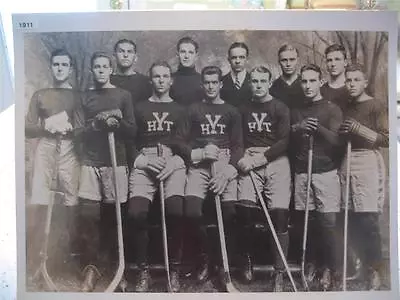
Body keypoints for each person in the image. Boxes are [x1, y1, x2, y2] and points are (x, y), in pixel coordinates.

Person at [74, 51, 136, 292]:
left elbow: (132, 130)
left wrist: (116, 123)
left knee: (117, 218)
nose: (100, 70)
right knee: (89, 217)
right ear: (92, 70)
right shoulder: (85, 97)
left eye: (104, 66)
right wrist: (97, 123)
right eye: (96, 66)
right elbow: (78, 132)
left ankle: (118, 268)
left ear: (111, 69)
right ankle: (91, 268)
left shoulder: (123, 95)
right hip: (90, 162)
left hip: (116, 163)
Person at [128, 61, 188, 292]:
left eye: (165, 76)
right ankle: (144, 270)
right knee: (136, 213)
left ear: (171, 80)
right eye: (156, 76)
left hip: (173, 161)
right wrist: (143, 161)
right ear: (150, 80)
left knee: (175, 211)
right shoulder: (139, 107)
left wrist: (174, 161)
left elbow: (187, 144)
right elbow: (130, 142)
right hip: (145, 161)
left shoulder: (181, 109)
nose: (161, 80)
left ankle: (174, 269)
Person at [184, 66, 243, 290]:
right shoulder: (193, 109)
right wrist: (198, 153)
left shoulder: (231, 110)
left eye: (214, 82)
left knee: (229, 213)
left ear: (220, 84)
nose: (210, 86)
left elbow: (238, 146)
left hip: (224, 161)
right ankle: (205, 257)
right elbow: (182, 141)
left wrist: (228, 172)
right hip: (199, 162)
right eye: (206, 82)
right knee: (191, 211)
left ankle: (221, 263)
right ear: (202, 84)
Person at [25, 49, 80, 278]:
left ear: (70, 68)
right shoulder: (40, 94)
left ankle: (68, 256)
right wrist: (45, 127)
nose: (59, 68)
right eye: (56, 64)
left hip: (69, 148)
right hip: (46, 146)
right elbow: (27, 127)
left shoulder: (77, 95)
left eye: (64, 64)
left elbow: (81, 126)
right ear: (51, 66)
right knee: (39, 198)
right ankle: (36, 258)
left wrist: (72, 130)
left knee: (71, 199)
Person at [237, 66, 291, 292]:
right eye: (254, 80)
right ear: (249, 83)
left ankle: (279, 271)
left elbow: (285, 140)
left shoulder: (280, 107)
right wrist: (241, 160)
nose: (258, 85)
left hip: (275, 159)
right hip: (249, 159)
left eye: (263, 81)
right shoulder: (242, 108)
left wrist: (262, 158)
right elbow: (236, 139)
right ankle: (246, 259)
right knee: (245, 211)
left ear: (270, 83)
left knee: (279, 215)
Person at [290, 64, 343, 290]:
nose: (308, 86)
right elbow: (289, 138)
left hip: (326, 172)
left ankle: (330, 267)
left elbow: (337, 141)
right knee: (305, 222)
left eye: (312, 81)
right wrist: (298, 127)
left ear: (320, 81)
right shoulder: (297, 109)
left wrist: (318, 128)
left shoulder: (332, 109)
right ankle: (310, 263)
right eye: (304, 81)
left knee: (328, 222)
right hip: (302, 171)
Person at [338, 64, 388, 290]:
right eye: (348, 80)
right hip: (347, 160)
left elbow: (387, 138)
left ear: (365, 82)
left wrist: (359, 130)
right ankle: (360, 268)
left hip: (368, 159)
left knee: (368, 219)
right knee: (351, 218)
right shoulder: (345, 105)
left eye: (356, 80)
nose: (351, 84)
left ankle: (375, 270)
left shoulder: (376, 105)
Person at [111, 38, 152, 106]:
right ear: (114, 56)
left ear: (135, 58)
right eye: (121, 51)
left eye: (129, 52)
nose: (125, 55)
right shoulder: (107, 81)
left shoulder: (145, 82)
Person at [170, 36, 203, 106]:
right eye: (183, 52)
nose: (186, 56)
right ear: (177, 55)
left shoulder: (202, 80)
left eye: (190, 52)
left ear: (196, 56)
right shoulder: (169, 79)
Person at [270, 43, 304, 109]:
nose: (288, 64)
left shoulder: (306, 84)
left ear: (298, 61)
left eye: (292, 60)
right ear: (279, 62)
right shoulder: (273, 88)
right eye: (284, 60)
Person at [220, 42, 252, 107]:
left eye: (241, 57)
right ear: (228, 60)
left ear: (247, 59)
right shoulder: (221, 81)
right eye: (234, 57)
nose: (237, 61)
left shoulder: (254, 81)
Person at [321, 44, 349, 112]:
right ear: (326, 64)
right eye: (329, 60)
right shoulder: (321, 90)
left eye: (337, 59)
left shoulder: (352, 89)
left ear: (345, 62)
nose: (333, 64)